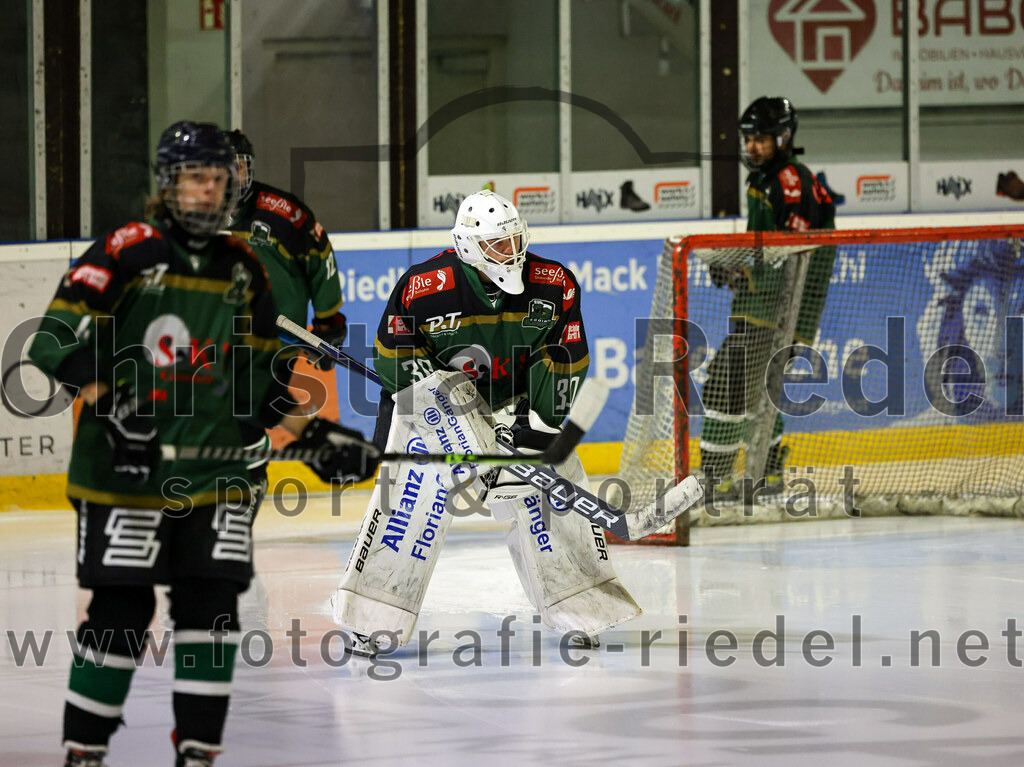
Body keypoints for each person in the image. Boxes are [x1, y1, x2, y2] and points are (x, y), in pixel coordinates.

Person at [29, 121, 376, 767]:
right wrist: (108, 399)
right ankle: (85, 752)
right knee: (121, 611)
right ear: (169, 184)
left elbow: (251, 385)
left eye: (217, 179)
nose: (207, 190)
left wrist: (315, 434)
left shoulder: (245, 268)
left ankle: (197, 753)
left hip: (214, 476)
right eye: (194, 177)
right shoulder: (123, 251)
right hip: (122, 474)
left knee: (212, 612)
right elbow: (49, 344)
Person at [330, 190, 640, 656]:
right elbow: (394, 359)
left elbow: (564, 359)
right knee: (411, 497)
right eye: (498, 244)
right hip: (432, 404)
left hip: (514, 400)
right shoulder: (424, 285)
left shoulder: (555, 283)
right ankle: (372, 618)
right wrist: (450, 420)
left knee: (552, 485)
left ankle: (583, 606)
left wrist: (538, 427)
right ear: (469, 246)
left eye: (515, 239)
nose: (511, 252)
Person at [699, 96, 836, 503]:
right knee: (758, 389)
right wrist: (738, 265)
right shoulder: (764, 178)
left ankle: (715, 481)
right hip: (758, 306)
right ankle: (770, 474)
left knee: (728, 385)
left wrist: (740, 268)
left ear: (784, 136)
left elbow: (790, 258)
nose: (753, 147)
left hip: (778, 311)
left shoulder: (791, 182)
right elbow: (764, 249)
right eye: (749, 139)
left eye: (761, 139)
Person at [224, 130, 347, 367]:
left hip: (277, 350)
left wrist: (328, 325)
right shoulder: (195, 215)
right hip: (216, 347)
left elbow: (321, 261)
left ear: (249, 169)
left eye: (238, 167)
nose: (231, 176)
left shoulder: (284, 213)